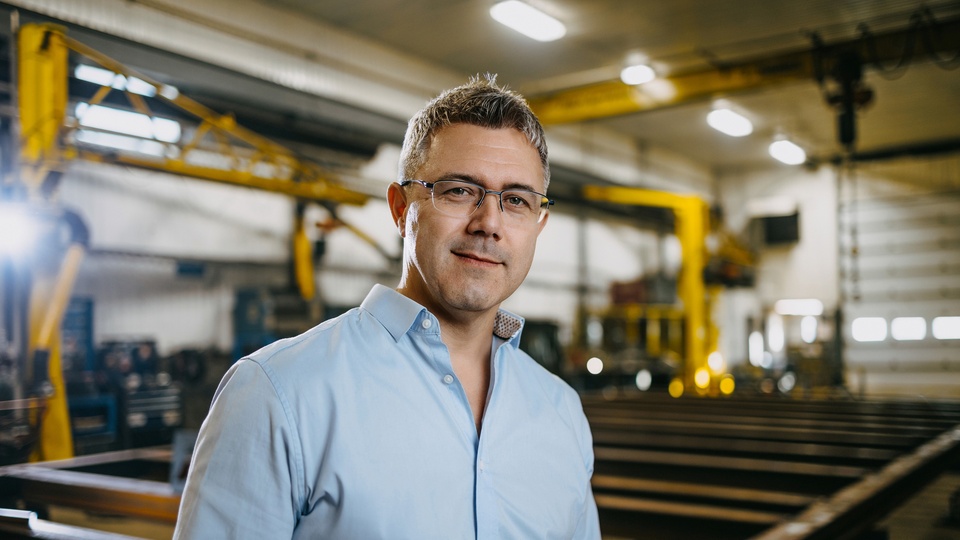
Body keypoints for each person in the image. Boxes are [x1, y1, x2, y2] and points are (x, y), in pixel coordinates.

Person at [174, 74, 601, 539]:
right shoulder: (278, 394)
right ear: (401, 209)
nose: (489, 223)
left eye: (516, 200)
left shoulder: (561, 412)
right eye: (459, 190)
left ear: (538, 225)